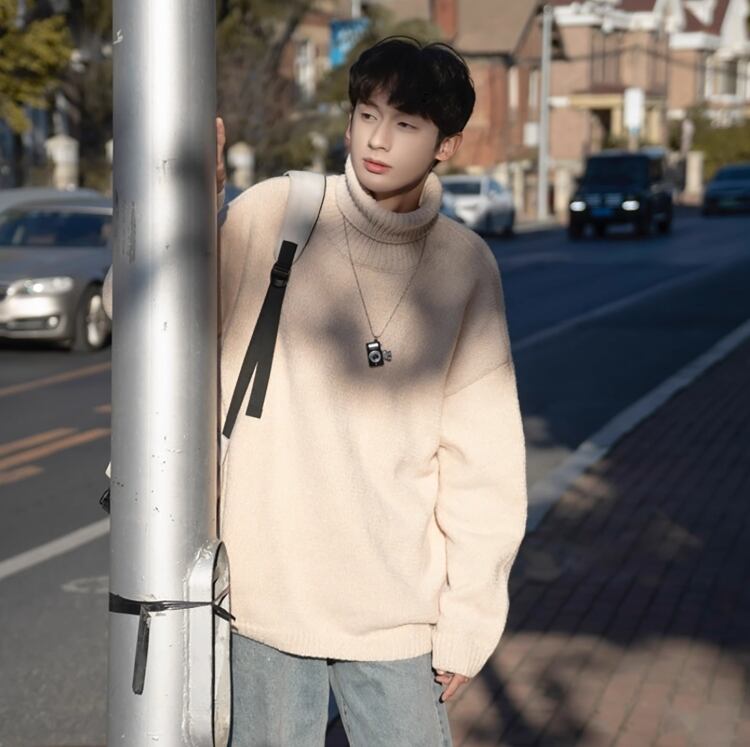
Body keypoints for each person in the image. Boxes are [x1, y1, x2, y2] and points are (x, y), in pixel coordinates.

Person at [108, 36, 527, 747]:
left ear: (446, 145)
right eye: (367, 114)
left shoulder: (465, 265)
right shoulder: (278, 212)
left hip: (398, 611)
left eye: (405, 123)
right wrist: (193, 206)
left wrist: (470, 616)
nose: (377, 139)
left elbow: (482, 464)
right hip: (265, 600)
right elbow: (142, 317)